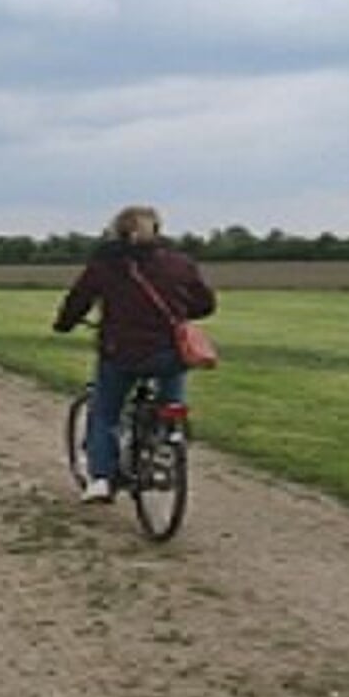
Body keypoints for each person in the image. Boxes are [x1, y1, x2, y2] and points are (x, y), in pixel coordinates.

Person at [53, 205, 216, 502]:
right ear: (157, 229)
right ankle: (168, 448)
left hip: (121, 352)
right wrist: (179, 312)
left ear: (117, 230)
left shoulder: (105, 264)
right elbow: (205, 304)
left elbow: (79, 299)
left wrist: (64, 323)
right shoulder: (180, 263)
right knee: (172, 406)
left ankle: (101, 478)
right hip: (169, 352)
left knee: (105, 413)